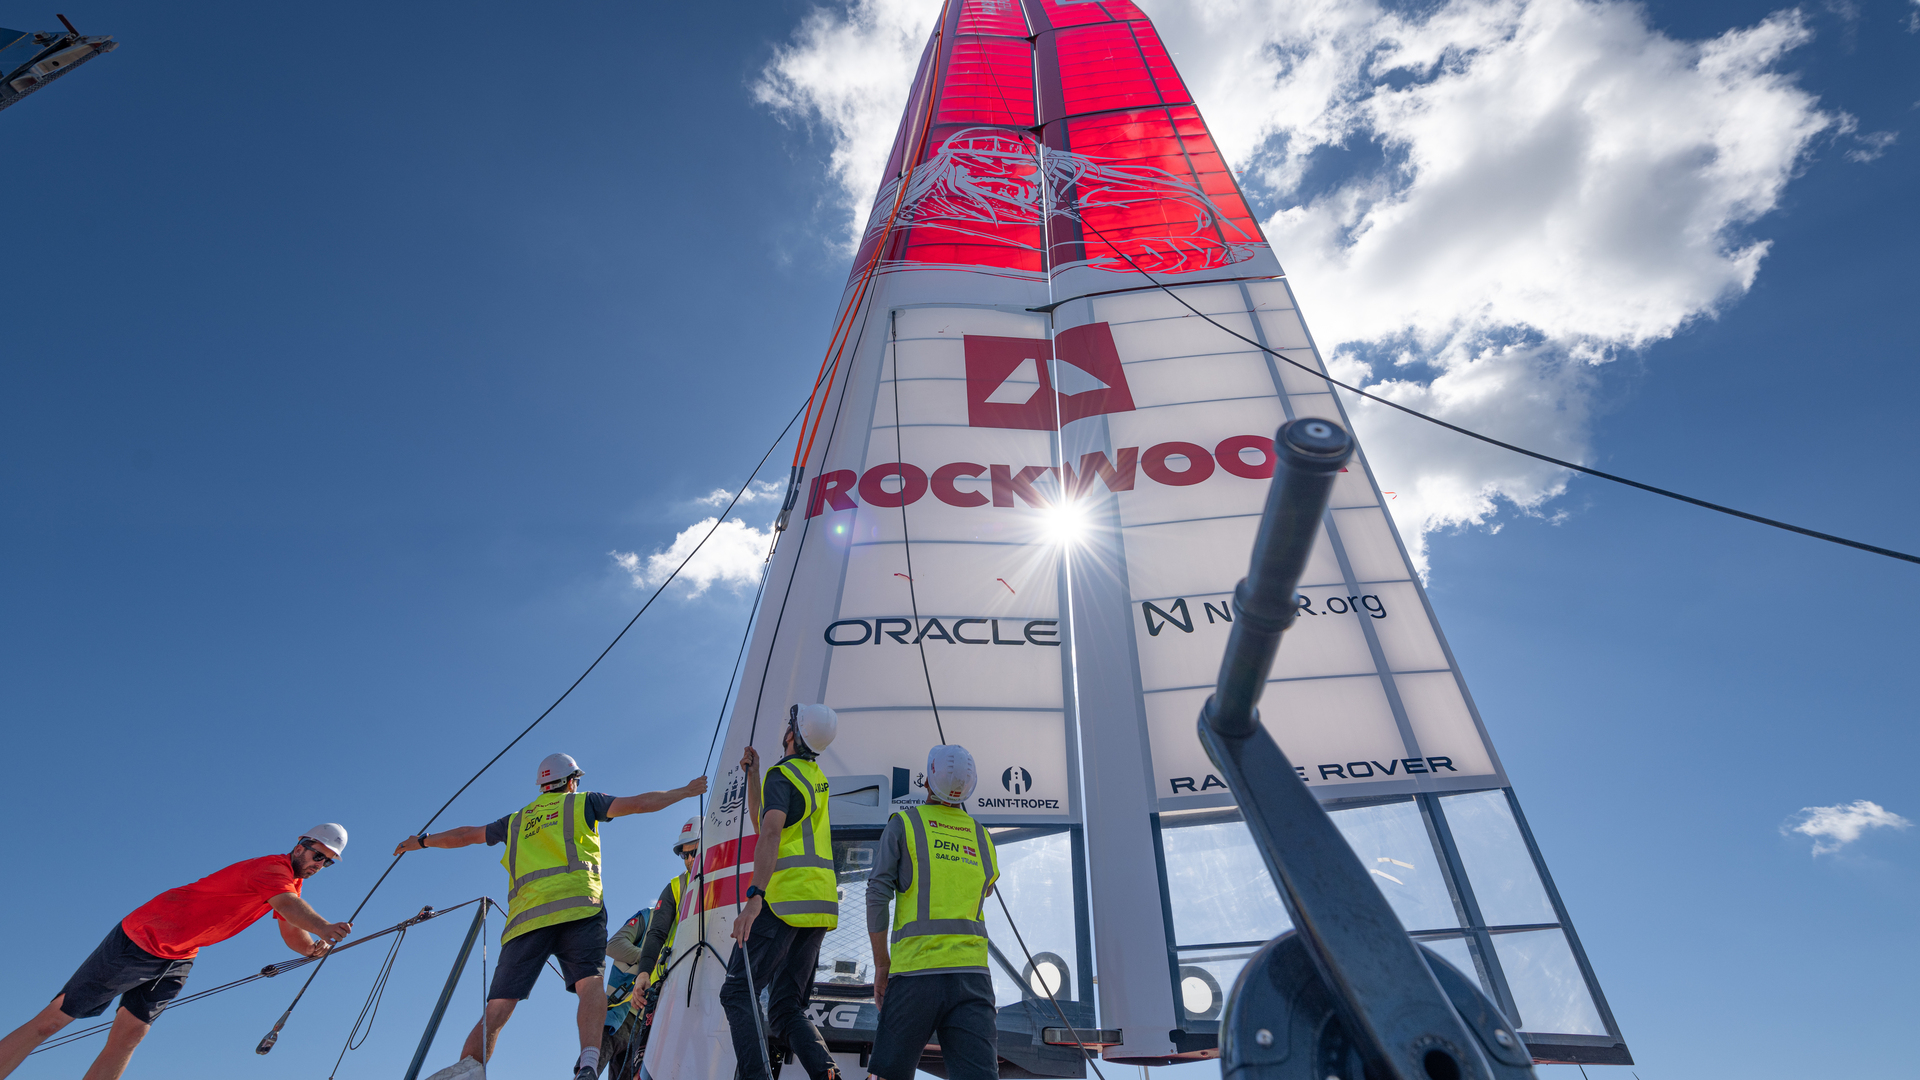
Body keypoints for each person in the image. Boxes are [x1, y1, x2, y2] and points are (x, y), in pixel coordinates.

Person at [399, 754, 706, 1080]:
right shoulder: (584, 803)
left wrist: (422, 842)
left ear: (543, 785)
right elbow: (640, 804)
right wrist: (684, 792)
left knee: (499, 1006)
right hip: (580, 910)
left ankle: (468, 1070)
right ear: (572, 780)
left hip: (526, 920)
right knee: (590, 986)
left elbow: (466, 835)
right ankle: (588, 1066)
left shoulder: (516, 820)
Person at [0, 825, 353, 1080]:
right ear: (300, 844)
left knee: (131, 1035)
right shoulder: (272, 870)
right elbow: (291, 908)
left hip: (179, 956)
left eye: (327, 861)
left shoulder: (291, 884)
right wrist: (324, 927)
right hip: (143, 938)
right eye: (316, 853)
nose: (318, 862)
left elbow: (292, 929)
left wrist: (312, 948)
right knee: (51, 1021)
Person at [721, 704, 841, 1080]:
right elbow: (766, 820)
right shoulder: (813, 776)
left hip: (785, 901)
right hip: (818, 906)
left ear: (792, 735)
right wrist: (754, 777)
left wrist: (754, 896)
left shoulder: (783, 774)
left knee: (737, 991)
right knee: (787, 1008)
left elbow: (770, 834)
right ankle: (827, 1073)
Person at [867, 746, 1000, 1080]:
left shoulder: (905, 824)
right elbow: (985, 889)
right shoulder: (983, 837)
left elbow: (876, 896)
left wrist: (882, 964)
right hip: (972, 980)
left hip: (916, 975)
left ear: (926, 780)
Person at [599, 815, 700, 1078]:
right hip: (640, 1001)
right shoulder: (659, 904)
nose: (689, 860)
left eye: (694, 853)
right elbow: (620, 944)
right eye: (684, 855)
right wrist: (648, 965)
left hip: (689, 989)